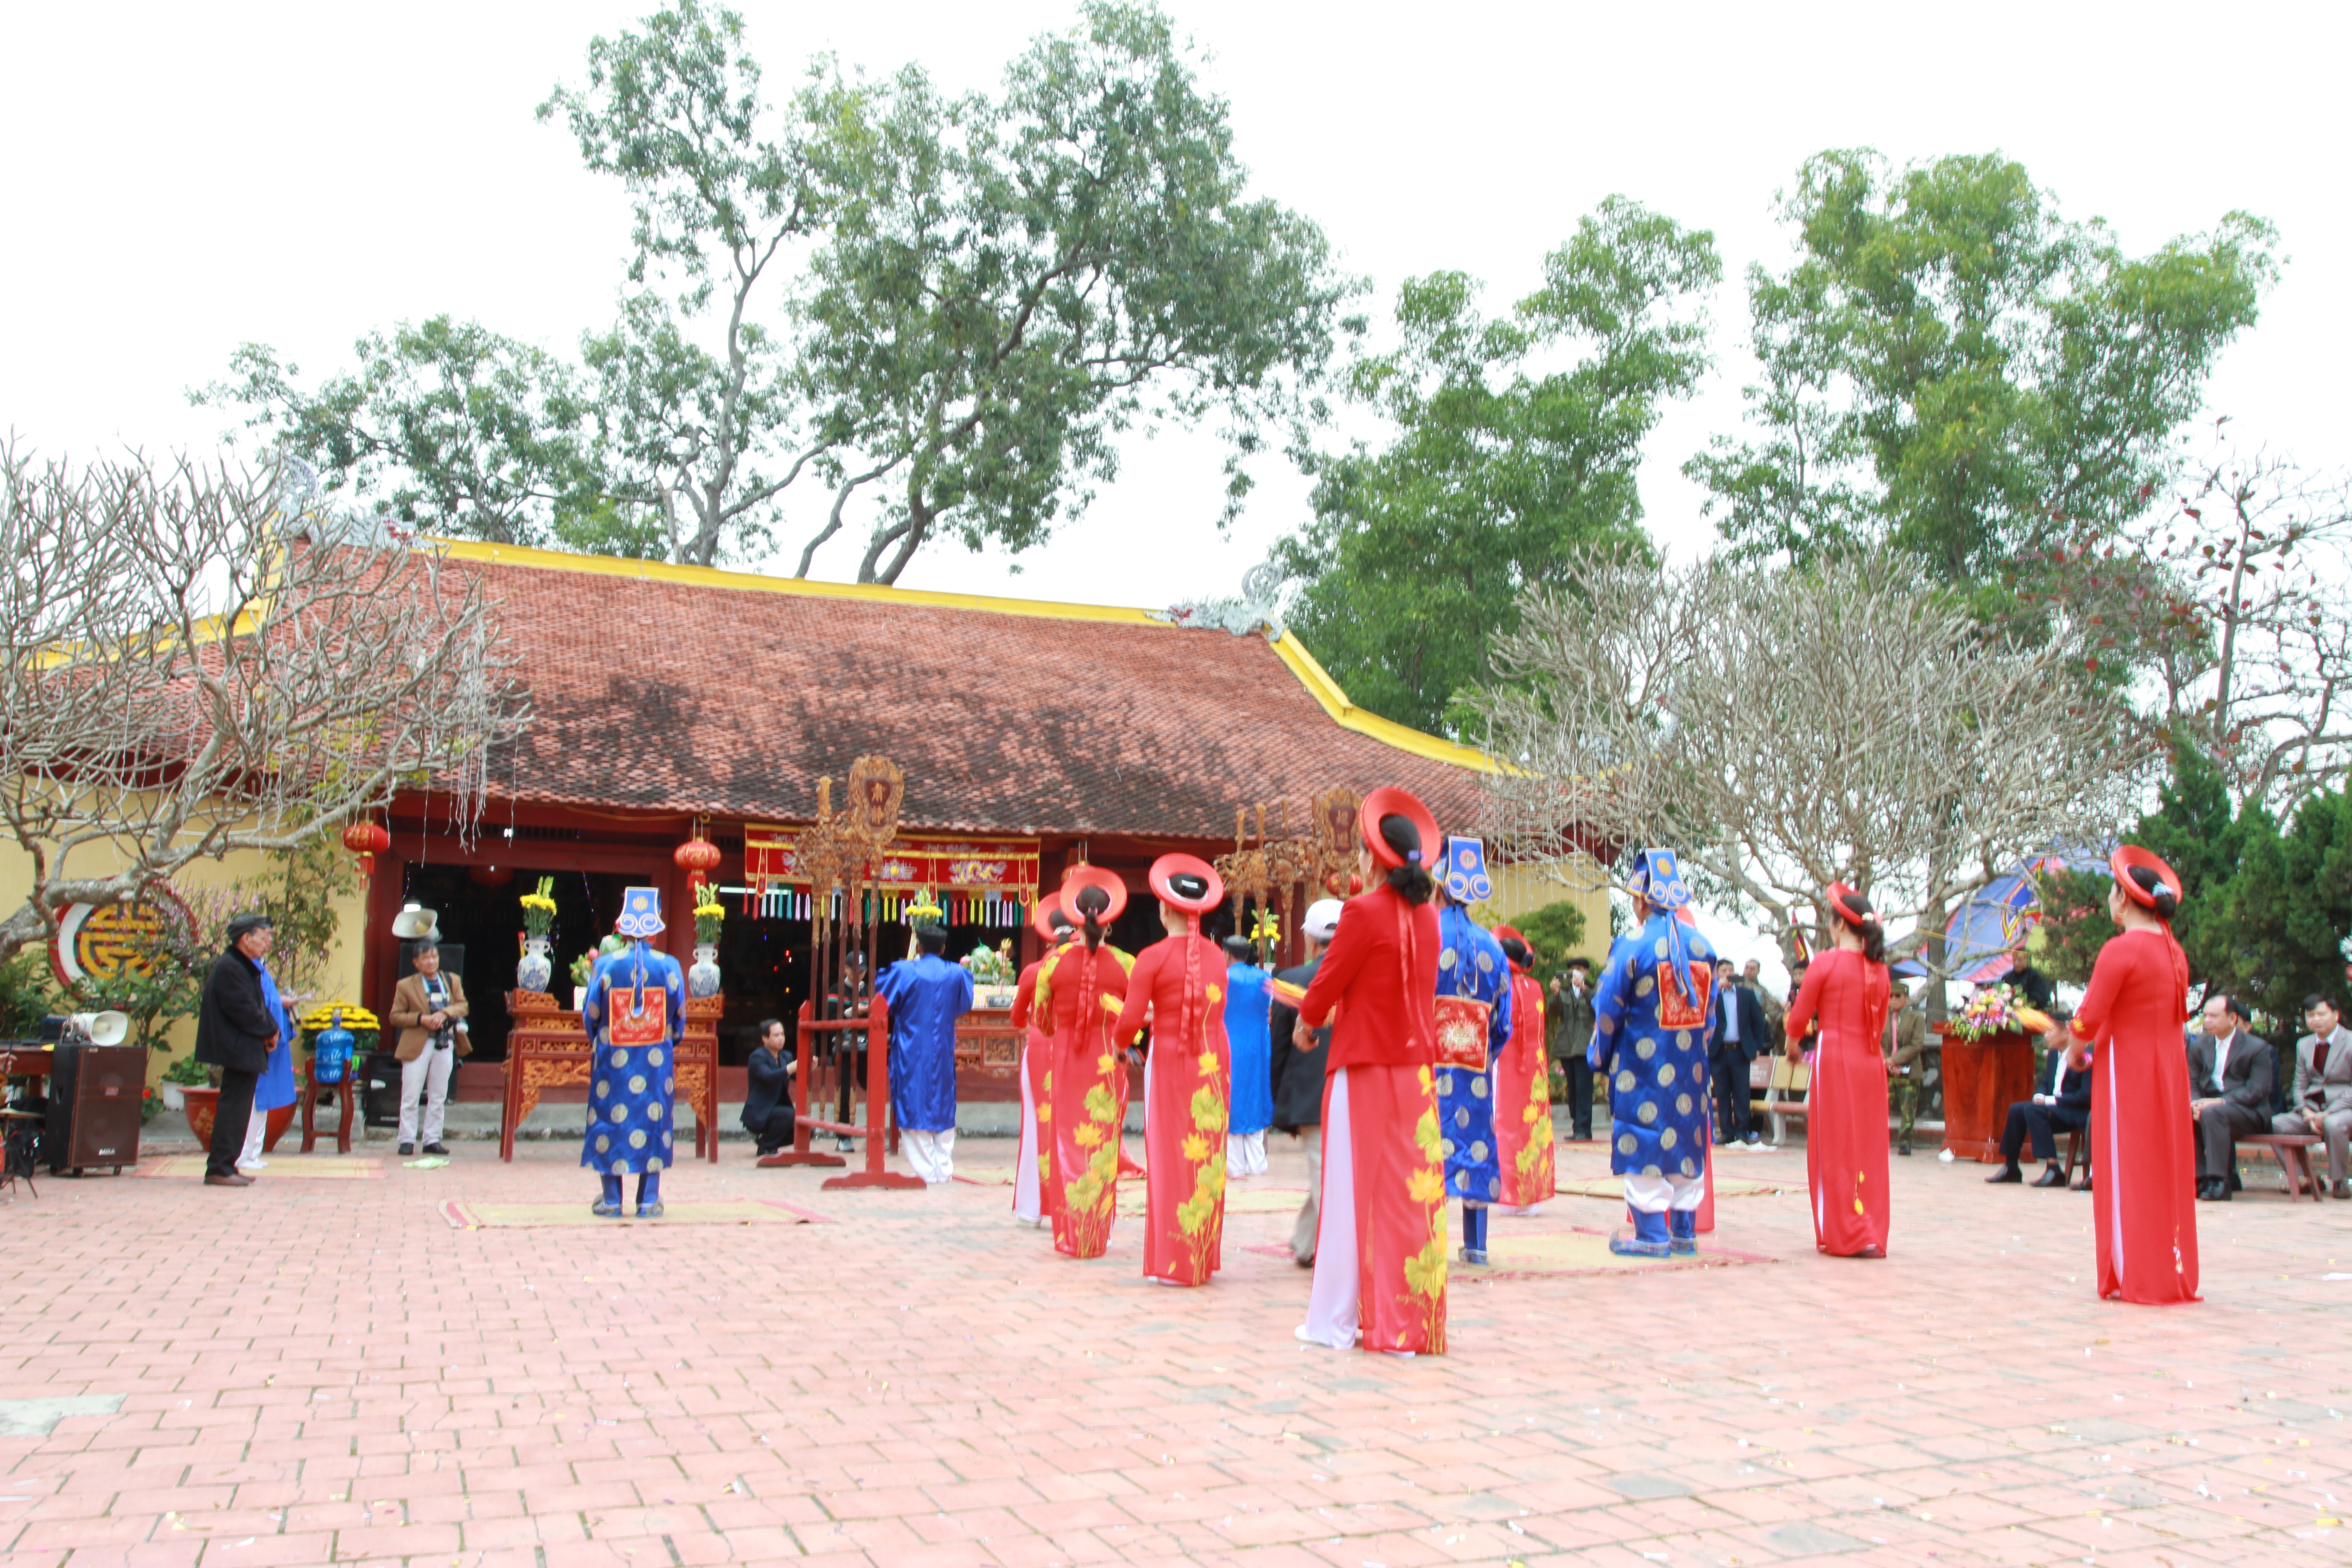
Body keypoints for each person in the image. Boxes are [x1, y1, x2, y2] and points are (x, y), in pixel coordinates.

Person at [1295, 787, 1449, 1355]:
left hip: (1362, 1070)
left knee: (1348, 1195)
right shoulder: (1429, 919)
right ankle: (1410, 1320)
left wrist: (1306, 1023)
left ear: (1370, 858)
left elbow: (1328, 981)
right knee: (1411, 1194)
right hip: (1416, 1075)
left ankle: (1335, 1321)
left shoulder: (1360, 912)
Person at [2063, 844, 2200, 1303]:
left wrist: (2074, 1054)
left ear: (2123, 898)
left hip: (2128, 1073)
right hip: (2169, 1071)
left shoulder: (2121, 950)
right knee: (2164, 1166)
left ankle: (2135, 1271)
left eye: (2112, 891)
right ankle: (2170, 1268)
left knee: (2128, 1167)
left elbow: (2090, 1016)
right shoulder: (2175, 952)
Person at [1590, 850, 1718, 1257]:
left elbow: (1608, 1008)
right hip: (1691, 1067)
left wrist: (1600, 1055)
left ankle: (1651, 1235)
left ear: (1643, 899)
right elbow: (1710, 1017)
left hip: (1641, 1066)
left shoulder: (1633, 943)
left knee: (1642, 1140)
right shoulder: (1704, 946)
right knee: (1686, 1140)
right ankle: (1684, 1233)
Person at [1112, 855, 1232, 1287]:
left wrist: (1120, 1046)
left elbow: (1127, 1022)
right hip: (1214, 1060)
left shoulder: (1151, 957)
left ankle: (1173, 1258)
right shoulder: (1219, 957)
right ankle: (1199, 1253)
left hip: (1169, 1058)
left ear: (1164, 909)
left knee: (1168, 1152)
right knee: (1205, 1152)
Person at [1783, 882, 1892, 1259]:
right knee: (1869, 1144)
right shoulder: (1880, 969)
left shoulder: (1824, 963)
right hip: (1871, 1061)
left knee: (1835, 1143)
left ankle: (1844, 1231)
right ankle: (1871, 1228)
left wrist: (1793, 1045)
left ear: (1839, 926)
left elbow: (1799, 1017)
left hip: (1835, 1060)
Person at [1033, 867, 1135, 1259]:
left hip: (1066, 1061)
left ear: (1074, 915)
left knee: (1066, 1144)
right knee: (1104, 1146)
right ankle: (1099, 1232)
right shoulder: (1127, 963)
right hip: (1109, 1065)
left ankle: (1072, 1233)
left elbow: (1042, 1021)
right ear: (1110, 917)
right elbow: (1136, 1016)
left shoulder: (1053, 964)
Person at [1431, 836, 1512, 1266]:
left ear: (1438, 886)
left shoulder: (1423, 934)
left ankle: (1428, 1242)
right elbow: (1504, 1023)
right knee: (1475, 1141)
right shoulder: (1495, 948)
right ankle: (1477, 1246)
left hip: (1425, 1064)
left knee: (1426, 1142)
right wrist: (1482, 1053)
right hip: (1475, 1065)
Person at [581, 888, 686, 1218]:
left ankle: (612, 1201)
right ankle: (648, 1200)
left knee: (609, 1120)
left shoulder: (606, 964)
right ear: (655, 929)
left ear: (622, 928)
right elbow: (680, 1015)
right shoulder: (669, 966)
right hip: (656, 1059)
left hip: (613, 1059)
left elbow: (591, 1014)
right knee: (654, 1119)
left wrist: (600, 1041)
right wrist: (668, 1040)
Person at [874, 912, 976, 1185]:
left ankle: (925, 1171)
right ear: (944, 949)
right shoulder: (958, 973)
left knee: (913, 1099)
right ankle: (943, 1168)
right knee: (943, 1101)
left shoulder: (904, 970)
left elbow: (883, 1000)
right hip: (943, 1046)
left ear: (919, 947)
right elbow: (964, 1006)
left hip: (912, 1047)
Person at [1268, 898, 1339, 1266]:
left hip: (1310, 1094)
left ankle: (1321, 1249)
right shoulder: (1362, 976)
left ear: (1311, 940)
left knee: (1324, 1174)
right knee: (1330, 1173)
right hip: (1353, 1087)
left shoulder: (1291, 980)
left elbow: (1280, 1046)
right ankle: (1308, 1244)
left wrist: (1281, 1100)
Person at [194, 912, 283, 1189]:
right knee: (233, 1108)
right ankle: (220, 1167)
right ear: (246, 939)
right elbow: (244, 1010)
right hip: (237, 1047)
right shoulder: (231, 966)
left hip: (244, 1047)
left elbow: (257, 1006)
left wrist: (272, 1029)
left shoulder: (243, 964)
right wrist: (269, 1031)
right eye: (265, 936)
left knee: (238, 1108)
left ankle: (227, 1165)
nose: (268, 943)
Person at [1008, 898, 1075, 1227]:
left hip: (1039, 1046)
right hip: (1077, 1049)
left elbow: (1017, 1016)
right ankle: (1072, 1206)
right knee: (1075, 1124)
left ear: (1050, 937)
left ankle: (1033, 1208)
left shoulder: (1036, 970)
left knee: (1037, 1125)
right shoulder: (1082, 967)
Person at [1986, 1007, 2093, 1186]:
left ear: (2067, 1032)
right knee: (2017, 1110)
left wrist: (2050, 1101)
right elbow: (2047, 1083)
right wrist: (2040, 1094)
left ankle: (2053, 1169)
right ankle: (2011, 1166)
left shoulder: (2084, 1055)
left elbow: (2085, 1096)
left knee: (2033, 1110)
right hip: (2055, 1109)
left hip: (2075, 1112)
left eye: (2050, 1031)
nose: (2046, 1036)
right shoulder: (2053, 1054)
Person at [2185, 993, 2273, 1201]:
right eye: (2205, 1016)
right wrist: (2195, 1103)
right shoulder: (2200, 1046)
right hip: (2210, 1109)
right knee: (2186, 1112)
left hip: (2250, 1112)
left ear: (2233, 1019)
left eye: (2214, 1016)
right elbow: (2192, 1082)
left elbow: (2257, 1090)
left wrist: (2219, 1102)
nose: (2207, 1021)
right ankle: (2199, 1178)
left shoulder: (2257, 1048)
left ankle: (2219, 1181)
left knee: (2214, 1112)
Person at [1490, 928, 1554, 1215]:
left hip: (1505, 1065)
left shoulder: (1498, 987)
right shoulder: (1537, 987)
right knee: (1532, 1127)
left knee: (1505, 1125)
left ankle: (1509, 1195)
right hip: (1534, 1069)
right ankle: (1532, 1195)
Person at [389, 941, 470, 1157]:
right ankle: (406, 1139)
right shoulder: (406, 985)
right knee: (411, 1093)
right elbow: (395, 1016)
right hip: (418, 1041)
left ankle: (432, 1139)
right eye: (426, 958)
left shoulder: (452, 980)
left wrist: (444, 1013)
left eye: (434, 957)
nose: (431, 961)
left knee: (439, 1094)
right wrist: (421, 1019)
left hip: (445, 1041)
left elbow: (463, 1005)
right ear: (416, 963)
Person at [2274, 994, 2352, 1198]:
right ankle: (2306, 1178)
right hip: (2312, 1109)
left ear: (2336, 1015)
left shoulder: (2351, 1041)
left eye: (2322, 1014)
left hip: (2345, 1109)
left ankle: (2339, 1181)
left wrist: (2327, 1114)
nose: (2316, 1019)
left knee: (2334, 1124)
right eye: (2311, 1015)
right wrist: (2307, 1112)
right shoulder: (2304, 1044)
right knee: (2276, 1124)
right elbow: (2299, 1085)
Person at [236, 943, 299, 1172]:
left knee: (263, 1104)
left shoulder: (261, 966)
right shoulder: (246, 967)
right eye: (263, 937)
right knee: (255, 1100)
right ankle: (243, 1153)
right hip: (262, 1038)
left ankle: (254, 1151)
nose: (267, 943)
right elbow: (259, 1002)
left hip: (273, 1036)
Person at [1222, 934, 1274, 1179]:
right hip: (1257, 1047)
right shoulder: (1265, 978)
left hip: (1228, 1046)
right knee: (1255, 1096)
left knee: (1231, 1098)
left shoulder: (1222, 979)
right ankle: (1257, 1163)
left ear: (1226, 954)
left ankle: (1235, 1166)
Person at [1710, 957, 1768, 1148]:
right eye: (1724, 971)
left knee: (1742, 1093)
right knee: (1723, 1093)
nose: (1728, 974)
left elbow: (1759, 1022)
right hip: (1719, 1051)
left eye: (1731, 971)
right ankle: (1727, 1132)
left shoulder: (1746, 994)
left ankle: (1742, 1131)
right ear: (1717, 975)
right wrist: (1716, 989)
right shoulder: (1712, 996)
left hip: (1740, 1050)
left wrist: (1758, 1046)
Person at [1548, 958, 1596, 1141]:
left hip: (1585, 1046)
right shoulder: (1565, 992)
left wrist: (1584, 989)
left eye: (1579, 969)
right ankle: (1577, 1127)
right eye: (1572, 970)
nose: (1575, 973)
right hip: (1567, 1045)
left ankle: (1585, 1129)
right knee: (1573, 1088)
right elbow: (1554, 1012)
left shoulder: (1593, 990)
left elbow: (1599, 1007)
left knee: (1584, 1087)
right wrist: (1556, 993)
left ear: (1586, 972)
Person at [1884, 982, 1928, 1156]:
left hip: (1910, 1071)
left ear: (1907, 998)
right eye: (1891, 996)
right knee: (1881, 1108)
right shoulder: (1882, 1018)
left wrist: (1895, 1060)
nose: (1894, 1000)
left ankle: (1905, 1143)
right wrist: (1888, 1062)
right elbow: (1877, 1041)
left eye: (1898, 996)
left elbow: (1916, 1045)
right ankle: (1880, 1140)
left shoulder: (1916, 1018)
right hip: (1887, 1071)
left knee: (1908, 1109)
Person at [742, 1018, 796, 1157]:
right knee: (788, 1114)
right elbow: (769, 1077)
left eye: (783, 1035)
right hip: (760, 1113)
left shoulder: (786, 1056)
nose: (781, 1039)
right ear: (765, 1039)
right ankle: (768, 1148)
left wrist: (809, 1067)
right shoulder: (757, 1057)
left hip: (779, 1112)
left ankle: (765, 1143)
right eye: (776, 1035)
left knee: (807, 1131)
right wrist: (790, 1069)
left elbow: (797, 1076)